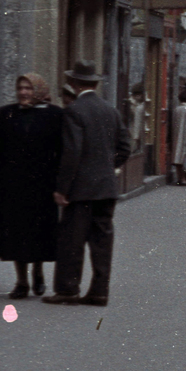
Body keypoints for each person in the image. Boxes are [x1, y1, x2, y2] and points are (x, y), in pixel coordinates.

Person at [43, 59, 131, 307]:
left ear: (74, 84)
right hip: (105, 188)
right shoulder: (110, 110)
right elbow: (125, 146)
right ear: (93, 83)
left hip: (80, 190)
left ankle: (68, 290)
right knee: (102, 242)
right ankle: (99, 291)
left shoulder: (74, 111)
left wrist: (62, 188)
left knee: (72, 241)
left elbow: (72, 152)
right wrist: (109, 166)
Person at [0, 73, 64, 299]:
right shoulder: (6, 113)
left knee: (39, 232)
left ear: (38, 90)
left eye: (28, 88)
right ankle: (21, 281)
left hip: (43, 187)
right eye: (20, 88)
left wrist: (61, 185)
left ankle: (38, 273)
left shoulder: (54, 115)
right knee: (15, 232)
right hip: (12, 186)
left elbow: (61, 152)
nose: (23, 92)